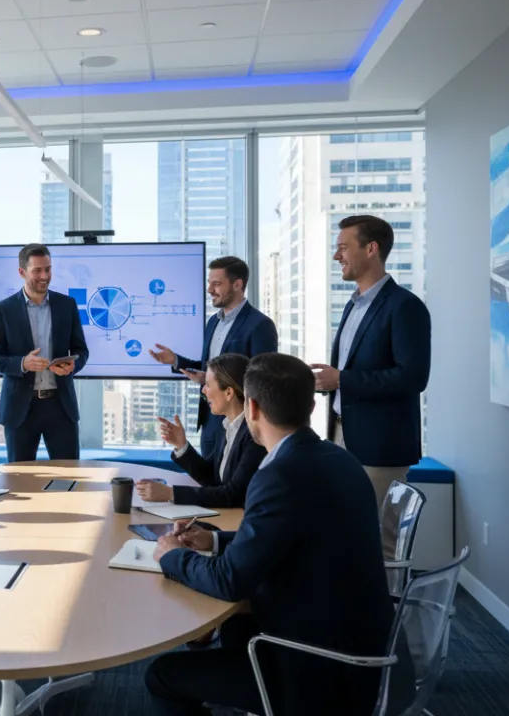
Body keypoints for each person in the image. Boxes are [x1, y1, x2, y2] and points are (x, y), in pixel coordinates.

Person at [144, 353, 411, 716]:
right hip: (368, 652)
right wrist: (216, 540)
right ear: (311, 405)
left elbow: (230, 581)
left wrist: (171, 556)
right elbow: (289, 537)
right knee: (235, 629)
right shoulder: (340, 459)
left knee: (162, 675)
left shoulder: (280, 475)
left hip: (319, 668)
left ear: (251, 407)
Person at [310, 215, 432, 512]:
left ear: (370, 249)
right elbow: (355, 368)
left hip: (380, 448)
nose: (336, 255)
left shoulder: (405, 306)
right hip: (341, 437)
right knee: (344, 534)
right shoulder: (353, 305)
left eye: (342, 247)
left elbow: (413, 377)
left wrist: (340, 380)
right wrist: (326, 380)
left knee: (378, 545)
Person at [149, 256, 277, 460]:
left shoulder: (260, 325)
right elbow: (209, 368)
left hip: (241, 422)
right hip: (210, 420)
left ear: (237, 284)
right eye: (209, 283)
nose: (210, 290)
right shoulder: (212, 322)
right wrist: (175, 361)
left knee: (231, 487)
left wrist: (218, 383)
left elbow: (263, 379)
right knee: (209, 481)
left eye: (216, 284)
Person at [0, 243, 90, 462]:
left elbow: (81, 350)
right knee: (20, 481)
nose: (44, 276)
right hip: (20, 410)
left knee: (68, 478)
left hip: (60, 407)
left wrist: (73, 366)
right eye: (37, 271)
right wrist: (23, 363)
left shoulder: (67, 305)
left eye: (48, 269)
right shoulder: (4, 309)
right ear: (22, 272)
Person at [135, 353, 265, 509]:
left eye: (208, 384)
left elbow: (234, 495)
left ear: (228, 393)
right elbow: (211, 477)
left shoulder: (254, 435)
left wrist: (171, 494)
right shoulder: (227, 426)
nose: (203, 390)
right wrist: (181, 445)